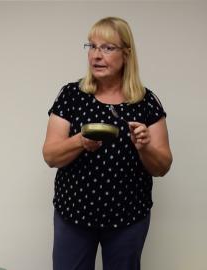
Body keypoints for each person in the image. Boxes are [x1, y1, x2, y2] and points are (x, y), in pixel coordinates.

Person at [42, 17, 172, 270]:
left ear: (126, 54)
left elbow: (162, 166)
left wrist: (144, 146)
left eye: (107, 48)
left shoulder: (146, 102)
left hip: (129, 217)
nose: (96, 56)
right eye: (92, 46)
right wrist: (80, 141)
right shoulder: (72, 95)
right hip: (74, 214)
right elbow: (50, 156)